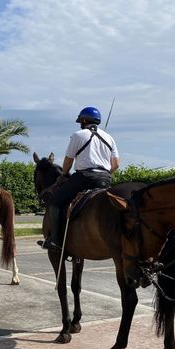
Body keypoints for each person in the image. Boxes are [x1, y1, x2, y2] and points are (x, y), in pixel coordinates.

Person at [39, 106, 119, 251]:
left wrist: (64, 174)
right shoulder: (109, 138)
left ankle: (55, 240)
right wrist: (105, 173)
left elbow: (68, 161)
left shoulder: (78, 135)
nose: (80, 124)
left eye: (80, 121)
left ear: (83, 120)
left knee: (55, 202)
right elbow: (116, 164)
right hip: (105, 179)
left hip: (84, 177)